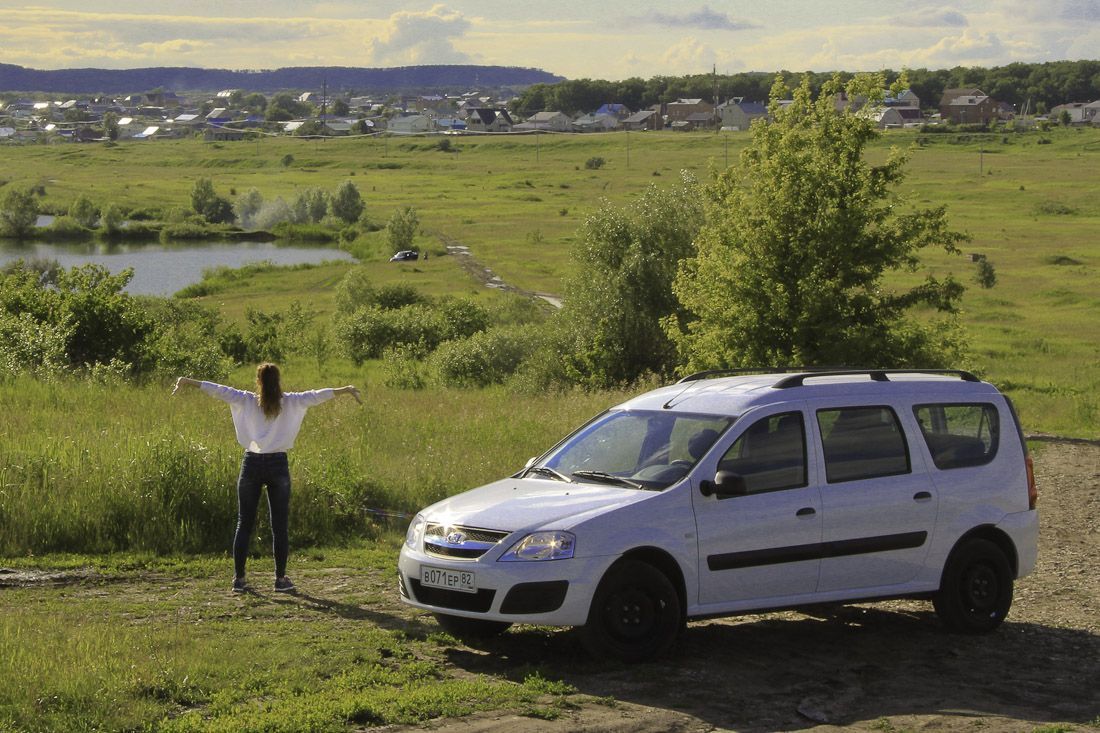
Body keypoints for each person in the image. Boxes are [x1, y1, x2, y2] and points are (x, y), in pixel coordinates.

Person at [173, 363, 362, 593]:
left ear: (258, 381)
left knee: (244, 523)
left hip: (251, 463)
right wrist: (345, 389)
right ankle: (280, 580)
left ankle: (239, 580)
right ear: (278, 380)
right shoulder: (291, 401)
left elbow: (218, 389)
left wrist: (188, 381)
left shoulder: (246, 400)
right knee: (279, 526)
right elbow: (317, 395)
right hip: (278, 464)